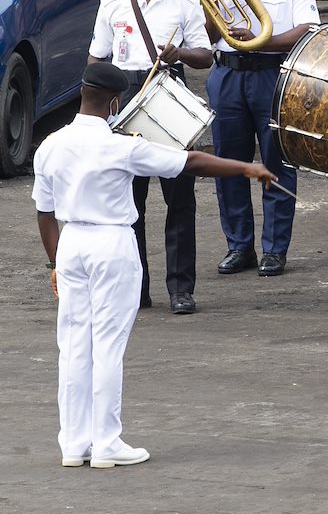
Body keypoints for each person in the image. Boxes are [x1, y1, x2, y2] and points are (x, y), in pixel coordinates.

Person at [33, 62, 273, 469]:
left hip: (70, 242)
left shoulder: (50, 145)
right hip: (111, 244)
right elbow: (191, 161)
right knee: (107, 345)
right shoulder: (121, 146)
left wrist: (55, 262)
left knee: (73, 345)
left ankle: (74, 444)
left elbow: (44, 212)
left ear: (81, 94)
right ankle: (107, 442)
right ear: (114, 102)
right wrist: (248, 168)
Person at [86, 0, 214, 314]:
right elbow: (96, 61)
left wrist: (181, 54)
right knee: (130, 203)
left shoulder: (185, 3)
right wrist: (97, 113)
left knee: (179, 198)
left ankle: (181, 289)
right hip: (126, 94)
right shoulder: (112, 5)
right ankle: (136, 289)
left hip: (169, 91)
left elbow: (205, 57)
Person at [207, 0, 320, 278]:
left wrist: (261, 41)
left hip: (272, 74)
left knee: (277, 163)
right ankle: (239, 247)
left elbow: (307, 29)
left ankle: (274, 250)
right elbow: (207, 35)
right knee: (228, 164)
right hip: (227, 75)